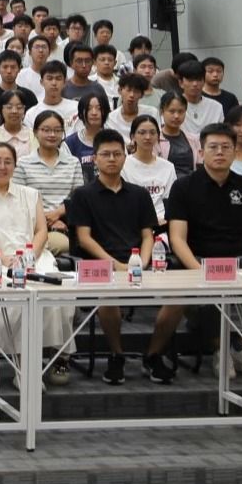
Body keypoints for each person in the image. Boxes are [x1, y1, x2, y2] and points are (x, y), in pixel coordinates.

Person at [157, 123, 242, 382]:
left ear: (235, 151)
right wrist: (200, 271)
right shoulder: (184, 187)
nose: (220, 152)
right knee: (208, 298)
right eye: (213, 147)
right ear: (201, 152)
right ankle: (222, 349)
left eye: (226, 147)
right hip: (200, 263)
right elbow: (177, 239)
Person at [0, 142, 74, 386]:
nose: (2, 167)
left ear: (14, 166)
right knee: (19, 298)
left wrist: (30, 254)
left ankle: (58, 358)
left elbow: (41, 230)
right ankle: (25, 367)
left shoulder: (30, 195)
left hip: (36, 257)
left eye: (8, 162)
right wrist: (3, 258)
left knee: (57, 293)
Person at [65, 129, 159, 384]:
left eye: (117, 154)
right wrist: (116, 265)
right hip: (101, 266)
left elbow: (148, 235)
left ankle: (154, 354)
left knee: (177, 298)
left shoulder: (139, 194)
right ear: (94, 158)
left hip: (138, 262)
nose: (112, 159)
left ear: (125, 157)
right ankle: (117, 355)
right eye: (105, 154)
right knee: (107, 298)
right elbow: (84, 238)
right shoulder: (83, 195)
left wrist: (142, 262)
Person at [13, 111, 79, 256]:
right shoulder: (23, 163)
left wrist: (57, 214)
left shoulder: (73, 162)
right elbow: (18, 200)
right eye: (46, 130)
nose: (52, 135)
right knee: (61, 244)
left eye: (57, 130)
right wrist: (45, 220)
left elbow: (77, 198)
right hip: (32, 224)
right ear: (35, 132)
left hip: (65, 222)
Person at [122, 114, 177, 224]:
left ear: (158, 136)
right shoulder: (123, 165)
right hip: (133, 222)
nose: (147, 137)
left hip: (163, 223)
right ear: (133, 136)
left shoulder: (168, 167)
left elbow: (171, 202)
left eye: (152, 133)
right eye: (142, 133)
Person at [174, 61, 223, 136]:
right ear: (181, 83)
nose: (195, 84)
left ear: (204, 81)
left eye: (199, 79)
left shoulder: (216, 107)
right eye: (190, 80)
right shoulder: (172, 106)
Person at [157, 92, 199, 176]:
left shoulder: (194, 139)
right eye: (171, 111)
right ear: (162, 111)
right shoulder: (155, 139)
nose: (176, 116)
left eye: (181, 111)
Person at [0, 92, 33, 158]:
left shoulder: (34, 135)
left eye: (19, 107)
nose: (14, 111)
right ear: (1, 110)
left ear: (24, 110)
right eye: (9, 107)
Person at [63, 94, 106, 166]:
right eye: (89, 109)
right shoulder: (70, 143)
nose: (94, 113)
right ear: (81, 113)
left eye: (99, 108)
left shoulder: (114, 140)